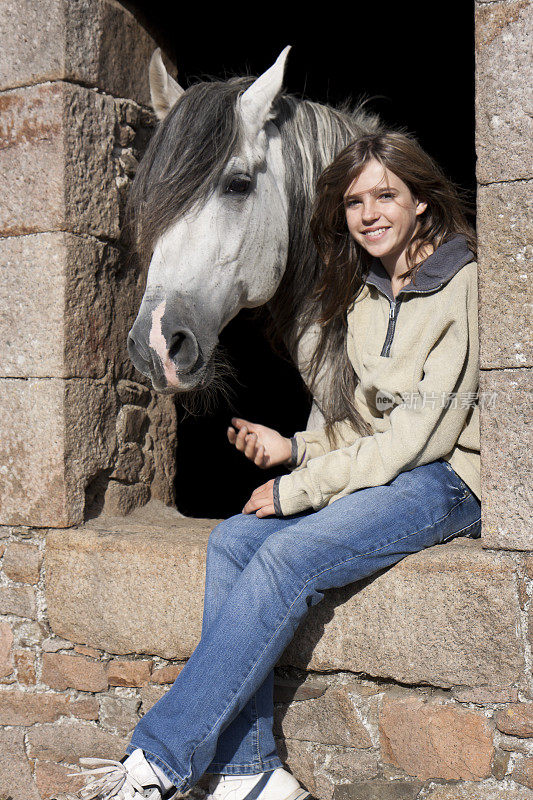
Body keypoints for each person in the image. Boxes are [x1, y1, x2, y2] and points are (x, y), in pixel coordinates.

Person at [66, 131, 481, 800]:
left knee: (287, 558)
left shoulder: (463, 283)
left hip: (447, 482)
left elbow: (417, 439)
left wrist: (298, 487)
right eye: (353, 201)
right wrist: (295, 447)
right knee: (232, 540)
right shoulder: (370, 294)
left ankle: (156, 763)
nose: (368, 213)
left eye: (385, 195)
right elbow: (367, 423)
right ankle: (248, 773)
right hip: (391, 470)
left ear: (422, 204)